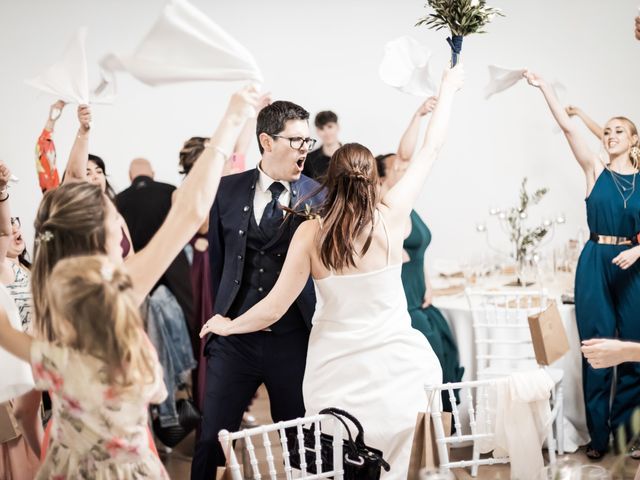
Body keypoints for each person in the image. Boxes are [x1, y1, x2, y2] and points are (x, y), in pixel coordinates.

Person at [201, 65, 464, 479]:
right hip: (399, 370)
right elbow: (431, 149)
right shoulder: (393, 218)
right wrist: (448, 89)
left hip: (334, 378)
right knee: (399, 462)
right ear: (374, 178)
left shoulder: (311, 232)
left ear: (330, 179)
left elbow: (272, 308)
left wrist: (227, 325)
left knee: (335, 465)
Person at [28, 87, 259, 458]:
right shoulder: (114, 296)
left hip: (62, 459)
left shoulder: (45, 305)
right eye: (110, 216)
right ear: (96, 235)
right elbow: (188, 213)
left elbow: (26, 406)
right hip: (121, 462)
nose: (117, 219)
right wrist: (231, 120)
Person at [190, 100, 325, 479]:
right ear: (266, 140)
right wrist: (223, 315)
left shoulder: (319, 197)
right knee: (211, 440)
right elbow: (219, 262)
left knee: (301, 440)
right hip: (235, 340)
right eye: (296, 140)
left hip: (294, 339)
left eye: (307, 141)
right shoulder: (227, 191)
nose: (304, 149)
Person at [524, 70, 640, 460]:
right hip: (594, 262)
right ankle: (599, 437)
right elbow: (568, 127)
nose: (610, 136)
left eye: (619, 131)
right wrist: (545, 89)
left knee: (631, 350)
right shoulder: (595, 169)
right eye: (607, 131)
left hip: (633, 266)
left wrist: (639, 251)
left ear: (634, 140)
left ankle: (626, 436)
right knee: (594, 347)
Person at [0, 255, 169, 479]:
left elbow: (5, 333)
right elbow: (158, 393)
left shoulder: (58, 360)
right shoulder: (139, 353)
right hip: (132, 469)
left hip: (74, 468)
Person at [378, 96, 464, 412]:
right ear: (380, 178)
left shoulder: (407, 203)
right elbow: (406, 152)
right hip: (401, 302)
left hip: (420, 295)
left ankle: (447, 422)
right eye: (398, 167)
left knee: (447, 347)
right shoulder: (385, 206)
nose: (405, 166)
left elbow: (419, 252)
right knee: (429, 359)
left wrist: (427, 282)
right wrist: (417, 115)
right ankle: (431, 424)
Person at [0, 164, 41, 479]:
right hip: (9, 367)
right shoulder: (2, 268)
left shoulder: (30, 271)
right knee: (13, 445)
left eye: (17, 222)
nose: (15, 229)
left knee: (28, 440)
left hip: (28, 362)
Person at [116, 158, 176, 253]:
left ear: (130, 175)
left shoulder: (118, 199)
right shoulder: (171, 191)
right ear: (153, 173)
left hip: (138, 260)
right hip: (172, 255)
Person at [35, 100, 65, 193]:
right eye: (87, 172)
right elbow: (43, 154)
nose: (95, 176)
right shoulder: (59, 198)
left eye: (99, 171)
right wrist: (51, 120)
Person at [302, 110, 340, 181]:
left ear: (337, 127)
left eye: (330, 127)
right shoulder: (309, 160)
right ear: (317, 131)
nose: (326, 132)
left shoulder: (351, 156)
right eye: (321, 128)